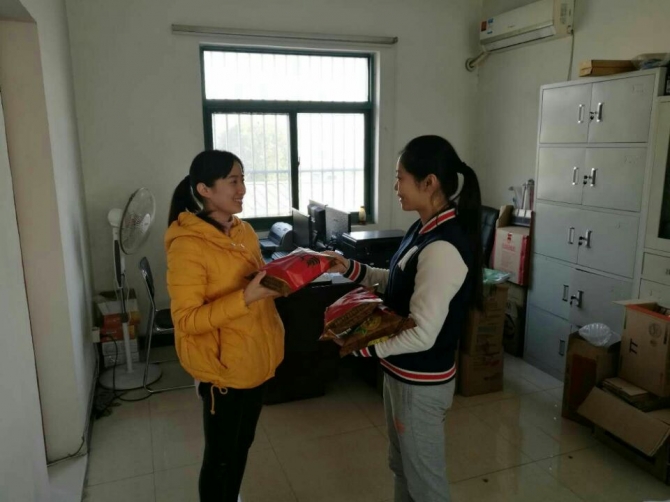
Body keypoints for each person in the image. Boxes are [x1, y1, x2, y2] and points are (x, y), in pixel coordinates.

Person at [326, 135, 482, 502]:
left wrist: (363, 348)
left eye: (401, 178)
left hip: (420, 384)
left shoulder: (442, 246)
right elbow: (394, 280)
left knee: (426, 486)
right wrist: (348, 267)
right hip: (401, 375)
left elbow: (423, 333)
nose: (395, 187)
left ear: (429, 183)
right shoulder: (422, 229)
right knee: (402, 468)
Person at [165, 150, 284, 502]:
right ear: (204, 189)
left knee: (242, 445)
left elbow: (257, 284)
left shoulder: (243, 231)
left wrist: (283, 282)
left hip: (256, 357)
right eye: (233, 181)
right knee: (220, 458)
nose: (242, 188)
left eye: (243, 179)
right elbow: (186, 320)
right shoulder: (187, 245)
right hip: (224, 371)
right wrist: (245, 297)